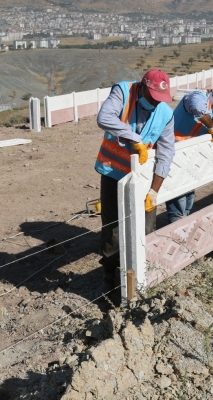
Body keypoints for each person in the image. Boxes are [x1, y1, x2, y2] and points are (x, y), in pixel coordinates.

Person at [94, 69, 175, 305]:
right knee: (112, 226)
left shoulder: (165, 114)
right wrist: (135, 140)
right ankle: (110, 277)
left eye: (159, 99)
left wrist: (154, 190)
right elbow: (104, 118)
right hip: (113, 172)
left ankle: (142, 276)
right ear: (141, 87)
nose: (154, 103)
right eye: (151, 97)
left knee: (146, 227)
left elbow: (167, 151)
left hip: (144, 179)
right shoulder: (123, 92)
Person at [165, 87, 213, 223]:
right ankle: (176, 230)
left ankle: (183, 222)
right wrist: (212, 128)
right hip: (175, 152)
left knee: (188, 194)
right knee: (178, 196)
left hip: (190, 157)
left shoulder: (212, 115)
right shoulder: (197, 97)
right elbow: (198, 109)